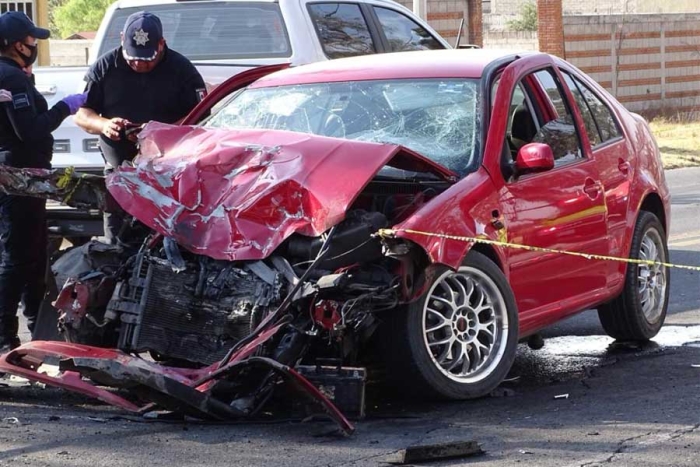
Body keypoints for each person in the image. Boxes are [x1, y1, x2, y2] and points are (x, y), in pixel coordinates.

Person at [75, 11, 207, 244]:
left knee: (165, 245)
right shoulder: (105, 67)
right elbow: (82, 114)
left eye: (147, 58)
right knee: (117, 244)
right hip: (120, 173)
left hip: (168, 176)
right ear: (122, 39)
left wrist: (160, 131)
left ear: (161, 44)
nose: (139, 64)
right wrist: (105, 124)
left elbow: (202, 116)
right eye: (132, 57)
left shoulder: (182, 69)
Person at [0, 11, 87, 352]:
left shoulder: (15, 76)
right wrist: (65, 107)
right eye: (31, 40)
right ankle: (7, 342)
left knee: (33, 260)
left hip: (20, 179)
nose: (34, 45)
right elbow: (31, 131)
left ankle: (38, 339)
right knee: (17, 260)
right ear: (15, 44)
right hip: (19, 180)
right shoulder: (13, 79)